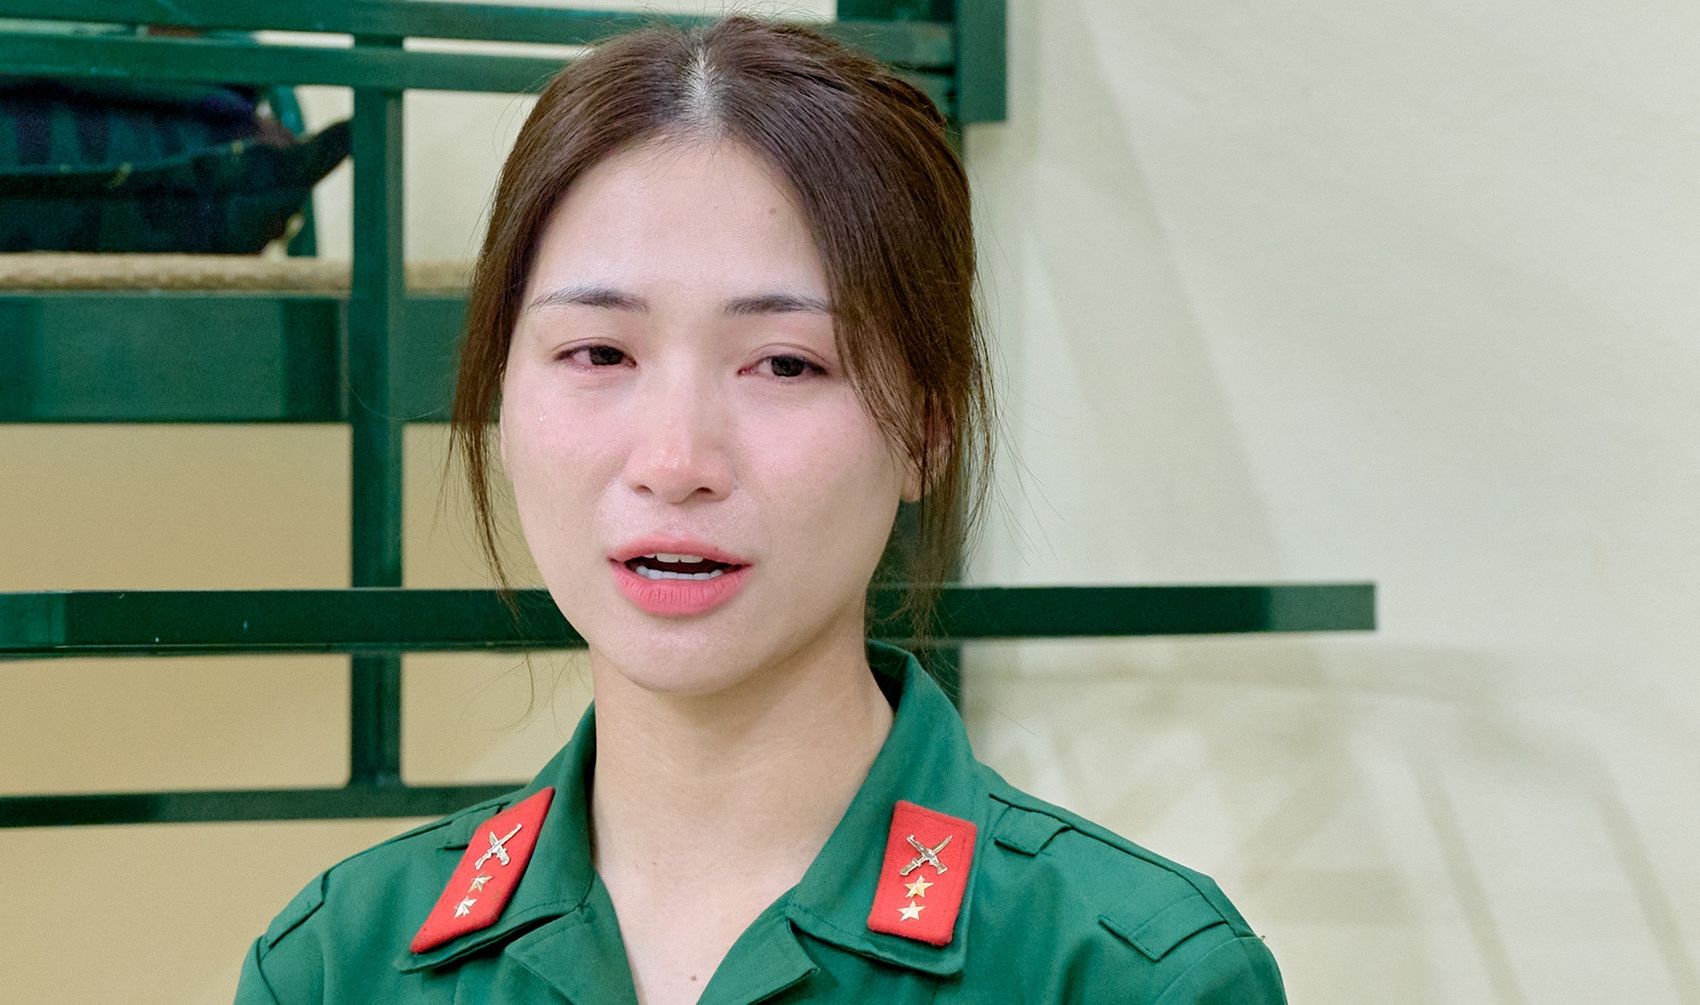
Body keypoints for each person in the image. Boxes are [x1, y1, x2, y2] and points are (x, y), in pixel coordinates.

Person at [235, 16, 1285, 1005]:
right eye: (598, 352)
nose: (675, 462)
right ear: (501, 407)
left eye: (785, 364)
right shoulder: (337, 964)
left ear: (927, 433)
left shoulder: (1126, 975)